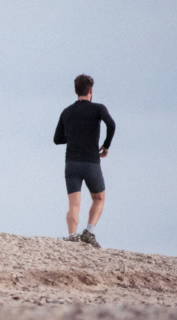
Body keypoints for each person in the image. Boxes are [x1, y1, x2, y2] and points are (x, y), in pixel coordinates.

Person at [53, 74, 115, 248]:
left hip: (71, 163)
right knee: (99, 198)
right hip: (91, 163)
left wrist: (74, 136)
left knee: (74, 203)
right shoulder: (98, 109)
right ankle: (89, 232)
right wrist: (106, 145)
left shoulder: (67, 112)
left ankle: (72, 236)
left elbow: (57, 139)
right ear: (91, 90)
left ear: (75, 90)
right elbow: (111, 124)